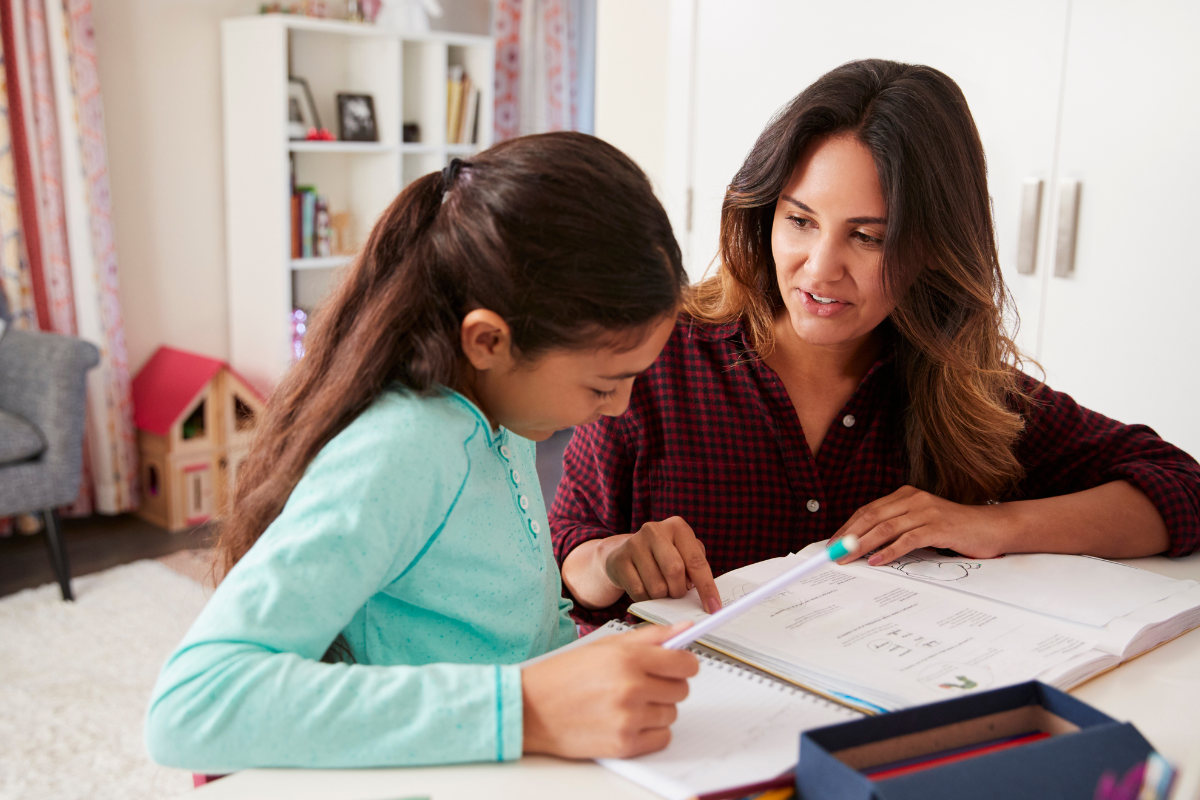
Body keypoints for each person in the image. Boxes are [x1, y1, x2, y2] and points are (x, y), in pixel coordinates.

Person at [550, 59, 1200, 629]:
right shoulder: (658, 358)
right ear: (763, 211)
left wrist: (991, 526)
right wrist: (613, 559)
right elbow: (560, 557)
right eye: (800, 220)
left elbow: (1180, 489)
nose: (820, 269)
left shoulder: (961, 388)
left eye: (868, 236)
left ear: (932, 249)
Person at [145, 132, 699, 773]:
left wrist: (605, 568)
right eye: (603, 384)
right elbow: (191, 705)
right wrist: (525, 707)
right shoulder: (404, 448)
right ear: (488, 341)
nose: (621, 407)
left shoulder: (501, 411)